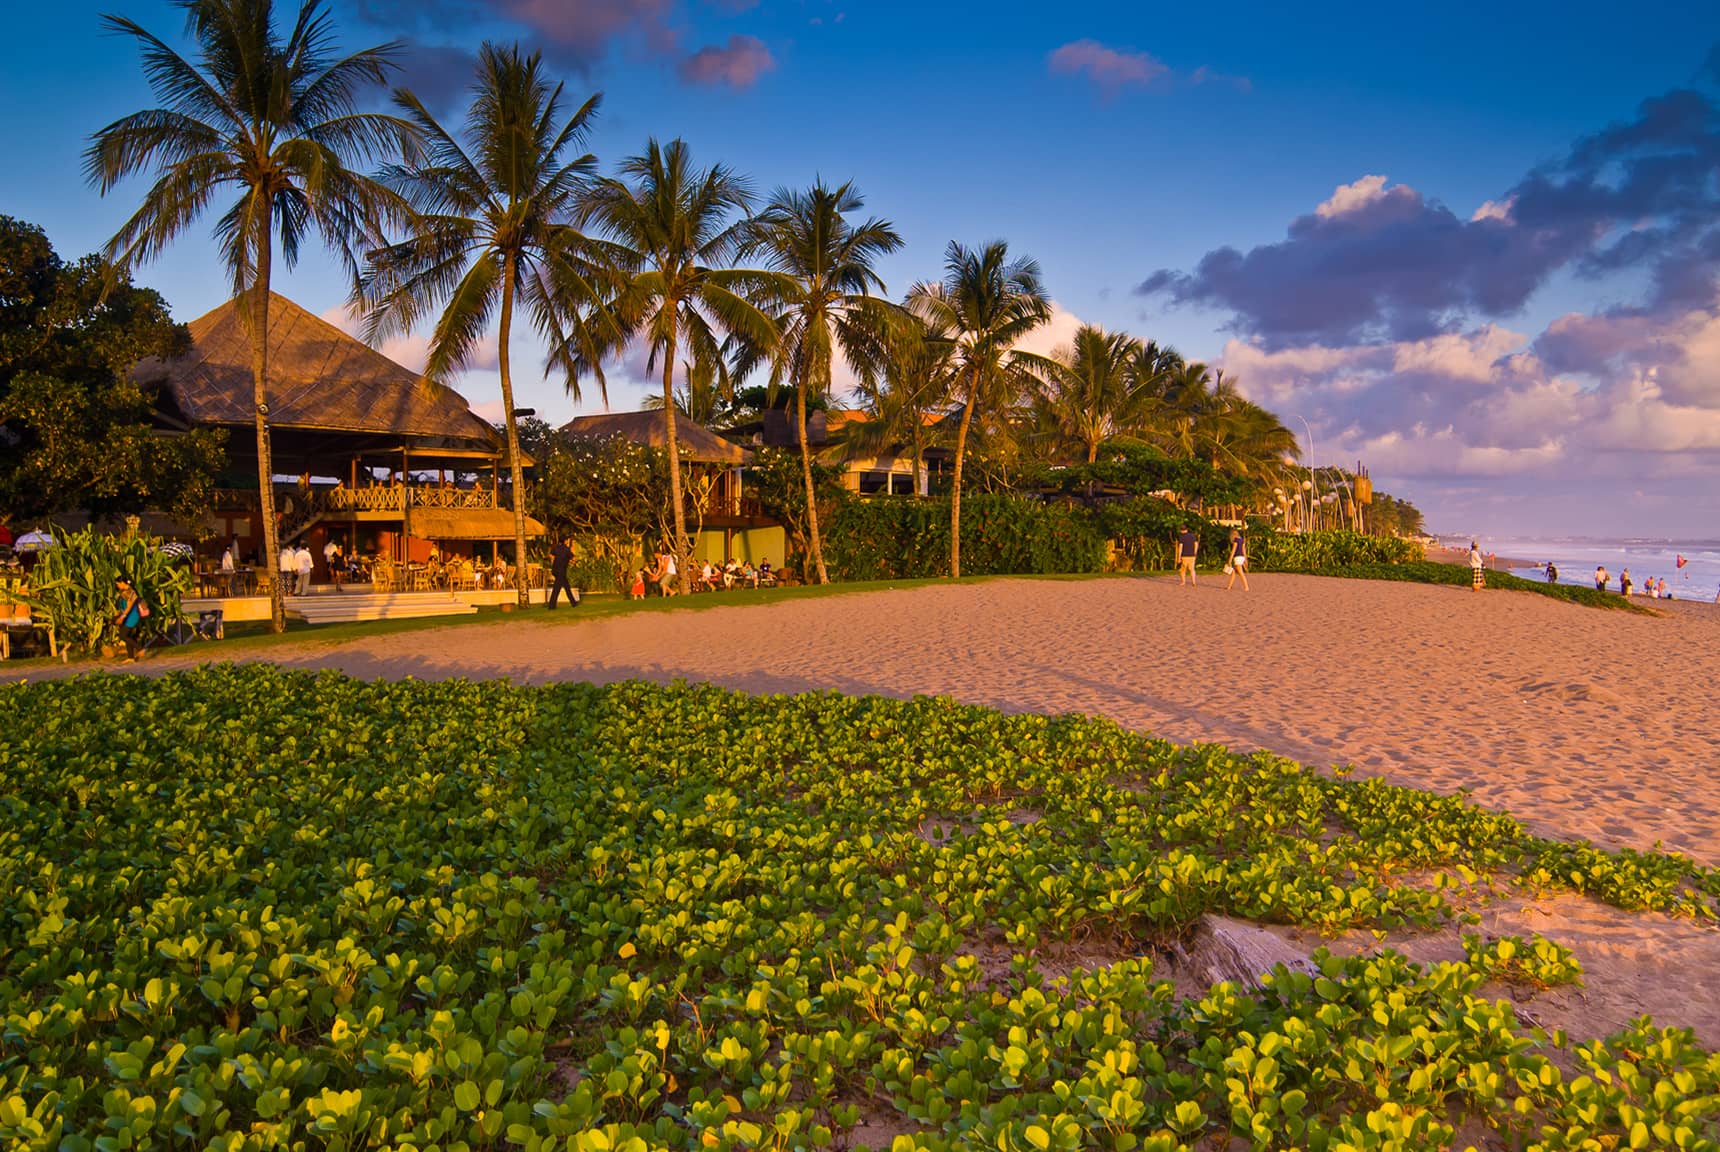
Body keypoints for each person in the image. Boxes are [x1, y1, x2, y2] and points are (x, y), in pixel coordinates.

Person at [113, 576, 145, 663]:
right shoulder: (125, 591)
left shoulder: (130, 592)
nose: (117, 586)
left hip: (132, 616)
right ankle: (131, 657)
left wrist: (122, 616)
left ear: (122, 583)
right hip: (127, 615)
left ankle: (140, 648)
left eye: (118, 584)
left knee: (123, 635)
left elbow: (129, 606)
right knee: (128, 636)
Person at [548, 537, 575, 609]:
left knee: (566, 586)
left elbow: (551, 555)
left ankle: (573, 602)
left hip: (555, 570)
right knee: (556, 588)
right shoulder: (566, 549)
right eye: (567, 540)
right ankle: (551, 606)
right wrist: (570, 561)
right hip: (561, 571)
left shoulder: (556, 547)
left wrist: (554, 560)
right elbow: (573, 558)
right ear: (565, 541)